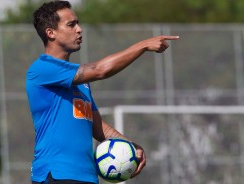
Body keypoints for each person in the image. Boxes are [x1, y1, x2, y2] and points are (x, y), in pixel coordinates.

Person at [26, 1, 179, 184]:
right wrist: (143, 45)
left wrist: (129, 146)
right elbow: (100, 70)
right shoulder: (42, 69)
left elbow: (98, 126)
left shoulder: (80, 82)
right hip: (56, 175)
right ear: (50, 33)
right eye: (71, 24)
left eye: (78, 23)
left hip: (87, 177)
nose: (79, 29)